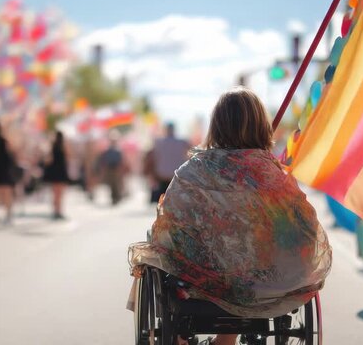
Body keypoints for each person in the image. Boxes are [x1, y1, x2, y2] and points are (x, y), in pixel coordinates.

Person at [128, 87, 332, 345]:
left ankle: (180, 339)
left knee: (159, 244)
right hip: (272, 283)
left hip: (205, 284)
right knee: (244, 254)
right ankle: (226, 339)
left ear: (217, 126)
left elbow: (170, 229)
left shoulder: (192, 172)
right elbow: (305, 230)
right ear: (261, 126)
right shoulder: (276, 176)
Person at [150, 123, 189, 202]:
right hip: (177, 174)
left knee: (162, 200)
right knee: (175, 200)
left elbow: (154, 158)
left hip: (162, 173)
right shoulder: (182, 142)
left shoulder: (158, 142)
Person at [43, 131, 70, 220]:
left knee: (55, 194)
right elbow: (68, 158)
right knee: (60, 194)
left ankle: (56, 211)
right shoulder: (63, 147)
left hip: (55, 173)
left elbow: (48, 160)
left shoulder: (52, 146)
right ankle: (58, 211)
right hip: (61, 172)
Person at [96, 131, 126, 206]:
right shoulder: (107, 150)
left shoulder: (118, 150)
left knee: (117, 184)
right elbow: (103, 160)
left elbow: (122, 161)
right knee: (111, 184)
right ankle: (113, 197)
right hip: (109, 168)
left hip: (116, 169)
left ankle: (117, 196)